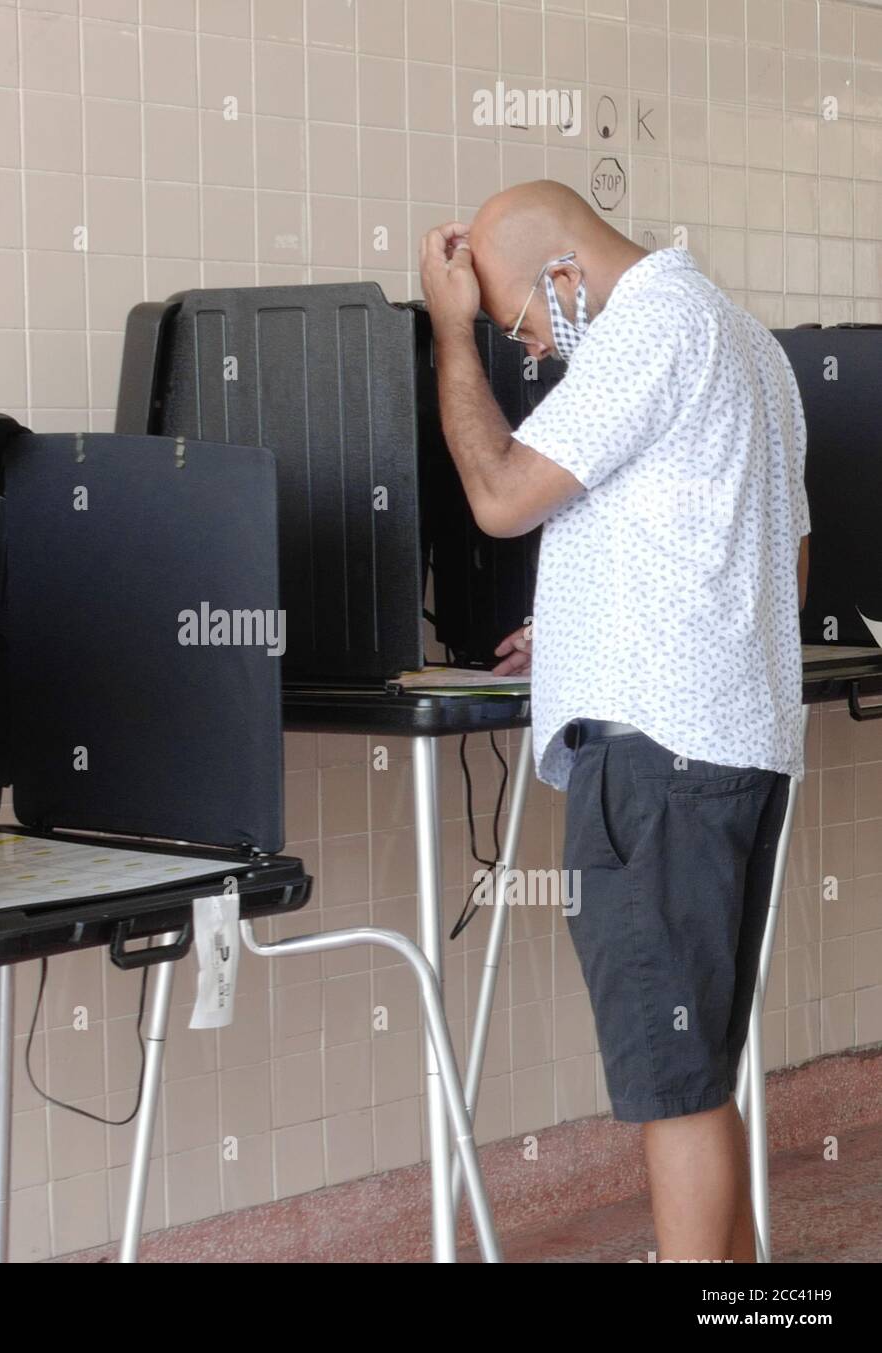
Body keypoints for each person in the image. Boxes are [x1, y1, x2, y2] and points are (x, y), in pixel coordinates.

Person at [418, 179, 810, 1262]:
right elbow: (778, 554)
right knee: (697, 1069)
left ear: (559, 275)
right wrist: (592, 607)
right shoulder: (743, 339)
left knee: (670, 1083)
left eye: (521, 324)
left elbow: (498, 494)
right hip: (734, 749)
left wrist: (450, 331)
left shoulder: (647, 327)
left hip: (657, 758)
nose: (531, 351)